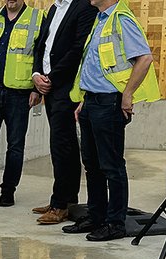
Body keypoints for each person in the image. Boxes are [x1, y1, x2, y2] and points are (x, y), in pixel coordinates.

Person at [62, 0, 159, 240]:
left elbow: (144, 58)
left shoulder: (122, 19)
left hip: (109, 103)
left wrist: (127, 94)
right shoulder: (100, 19)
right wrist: (84, 99)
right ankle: (96, 217)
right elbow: (97, 65)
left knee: (112, 166)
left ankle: (115, 223)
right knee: (92, 165)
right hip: (92, 101)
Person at [30, 0, 97, 225]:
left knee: (63, 145)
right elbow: (42, 44)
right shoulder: (53, 8)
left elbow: (78, 49)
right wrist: (37, 74)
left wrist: (53, 77)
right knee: (59, 145)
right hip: (49, 84)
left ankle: (62, 204)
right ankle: (62, 200)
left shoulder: (84, 6)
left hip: (65, 87)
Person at [0, 0, 44, 208]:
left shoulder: (37, 18)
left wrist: (36, 89)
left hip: (20, 94)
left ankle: (8, 191)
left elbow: (40, 55)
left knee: (15, 146)